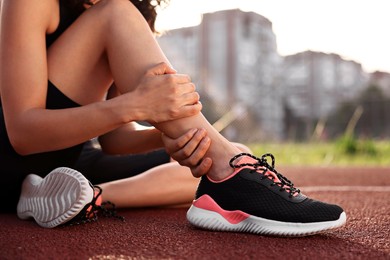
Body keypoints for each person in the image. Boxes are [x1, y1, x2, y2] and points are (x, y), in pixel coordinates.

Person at [0, 0, 346, 236]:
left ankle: (83, 197)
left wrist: (166, 138)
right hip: (13, 161)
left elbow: (115, 138)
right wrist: (135, 106)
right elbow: (22, 133)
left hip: (66, 168)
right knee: (115, 13)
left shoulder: (133, 11)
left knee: (211, 154)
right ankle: (233, 172)